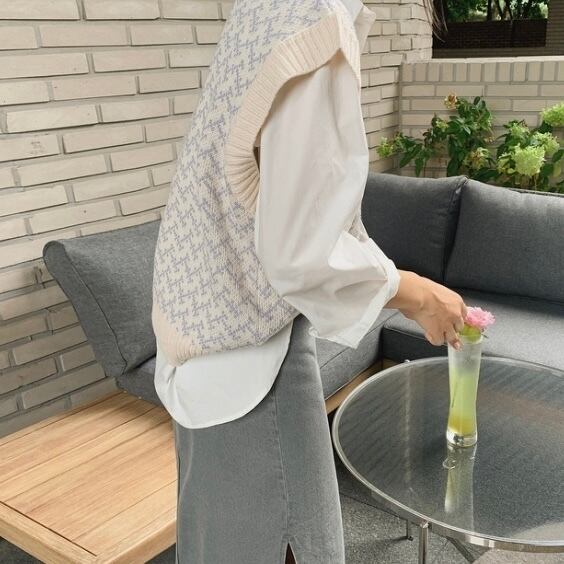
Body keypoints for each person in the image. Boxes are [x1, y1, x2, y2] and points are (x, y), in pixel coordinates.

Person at [151, 1, 463, 563]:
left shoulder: (265, 9)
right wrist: (416, 293)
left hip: (204, 343)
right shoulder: (315, 26)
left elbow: (275, 208)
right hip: (253, 363)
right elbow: (299, 254)